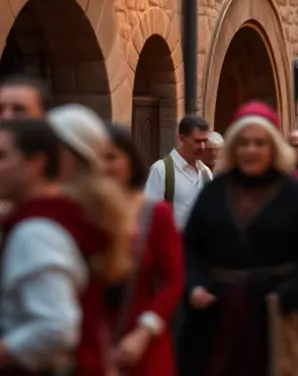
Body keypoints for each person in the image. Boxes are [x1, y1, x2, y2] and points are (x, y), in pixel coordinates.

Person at [178, 101, 298, 376]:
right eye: (244, 142)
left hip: (276, 314)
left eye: (260, 143)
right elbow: (190, 247)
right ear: (234, 148)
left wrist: (290, 291)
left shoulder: (292, 194)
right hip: (217, 312)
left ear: (272, 147)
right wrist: (195, 285)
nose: (251, 149)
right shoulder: (214, 192)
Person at [0, 116, 128, 376]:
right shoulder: (56, 217)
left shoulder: (37, 230)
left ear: (36, 162)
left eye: (2, 156)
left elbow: (55, 327)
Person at [101, 123, 184, 376]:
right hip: (91, 342)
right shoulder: (78, 212)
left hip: (143, 339)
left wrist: (144, 332)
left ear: (130, 161)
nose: (103, 167)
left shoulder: (154, 214)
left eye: (111, 157)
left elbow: (174, 279)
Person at [144, 115, 213, 230]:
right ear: (181, 139)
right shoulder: (162, 169)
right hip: (172, 244)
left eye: (204, 141)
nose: (202, 146)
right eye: (197, 141)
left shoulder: (206, 173)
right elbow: (149, 213)